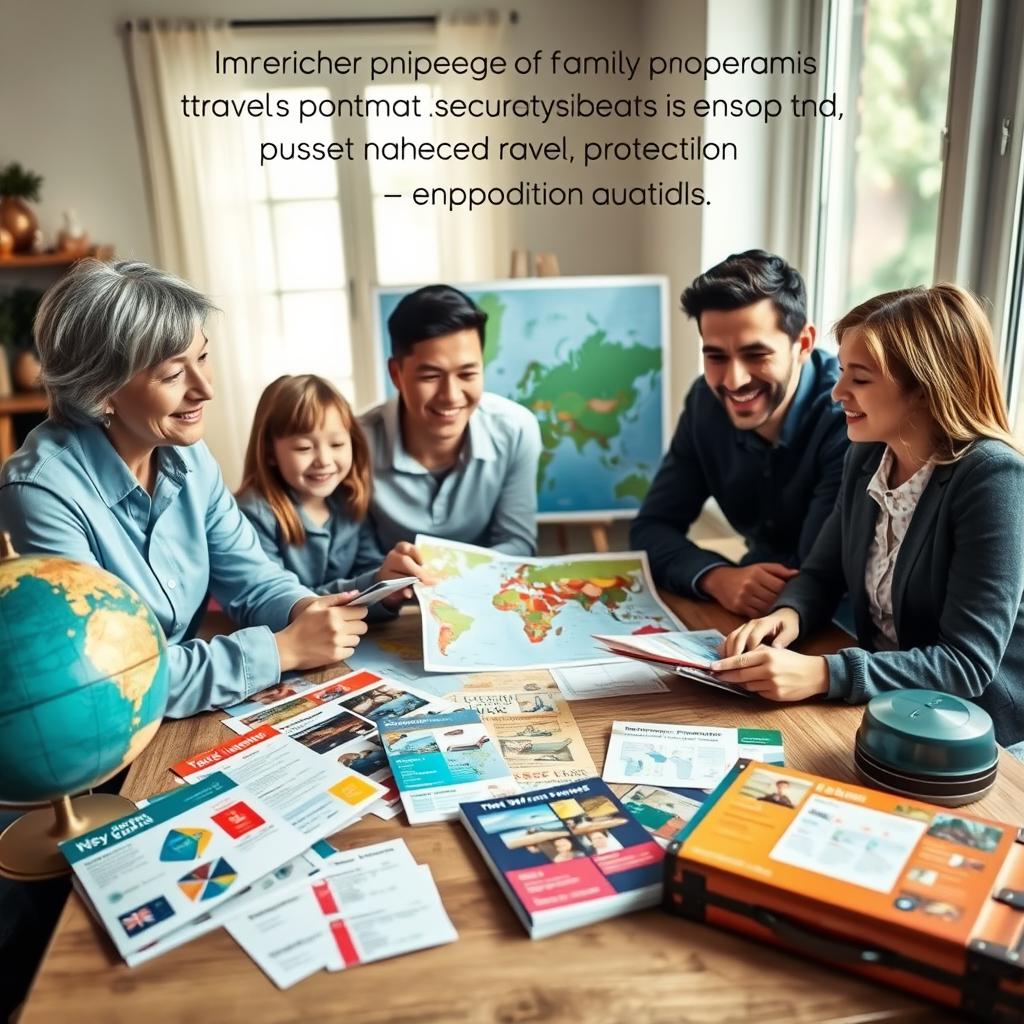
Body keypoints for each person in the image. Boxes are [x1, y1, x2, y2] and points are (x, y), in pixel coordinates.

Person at [0, 259, 369, 719]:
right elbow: (116, 676)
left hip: (190, 701)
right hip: (103, 735)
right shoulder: (38, 494)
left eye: (203, 357)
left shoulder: (186, 453)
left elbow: (252, 578)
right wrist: (281, 651)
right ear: (100, 391)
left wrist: (306, 611)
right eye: (174, 375)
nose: (204, 389)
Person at [713, 284, 1024, 753]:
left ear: (924, 388)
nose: (837, 393)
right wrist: (787, 614)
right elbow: (820, 572)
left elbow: (966, 665)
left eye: (859, 379)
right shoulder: (864, 458)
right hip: (883, 706)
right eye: (841, 373)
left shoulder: (993, 478)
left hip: (978, 736)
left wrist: (824, 672)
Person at [631, 250, 849, 617]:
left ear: (804, 343)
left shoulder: (847, 419)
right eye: (715, 357)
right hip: (755, 605)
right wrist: (717, 577)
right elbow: (650, 529)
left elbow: (811, 574)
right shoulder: (705, 403)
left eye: (756, 354)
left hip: (841, 617)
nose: (734, 381)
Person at [360, 284, 542, 559]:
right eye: (431, 377)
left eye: (467, 375)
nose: (451, 396)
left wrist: (445, 578)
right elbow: (354, 558)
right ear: (396, 374)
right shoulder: (354, 443)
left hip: (484, 595)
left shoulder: (516, 430)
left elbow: (517, 544)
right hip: (389, 598)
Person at [237, 374, 420, 607]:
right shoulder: (254, 515)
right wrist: (371, 584)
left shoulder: (350, 500)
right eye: (304, 447)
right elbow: (281, 601)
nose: (324, 460)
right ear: (270, 452)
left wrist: (387, 588)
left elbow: (368, 567)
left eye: (337, 444)